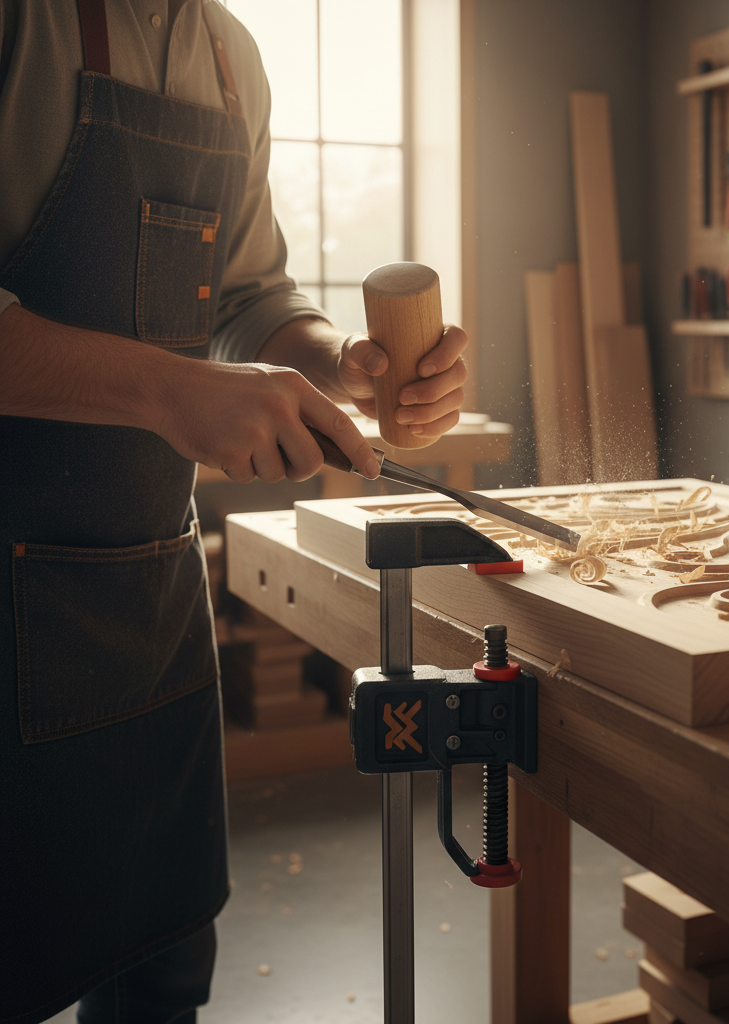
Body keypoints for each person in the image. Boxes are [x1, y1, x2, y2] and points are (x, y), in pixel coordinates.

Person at [0, 2, 468, 1020]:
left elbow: (249, 296)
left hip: (144, 600)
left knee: (160, 966)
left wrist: (340, 362)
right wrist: (170, 391)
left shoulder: (227, 53)